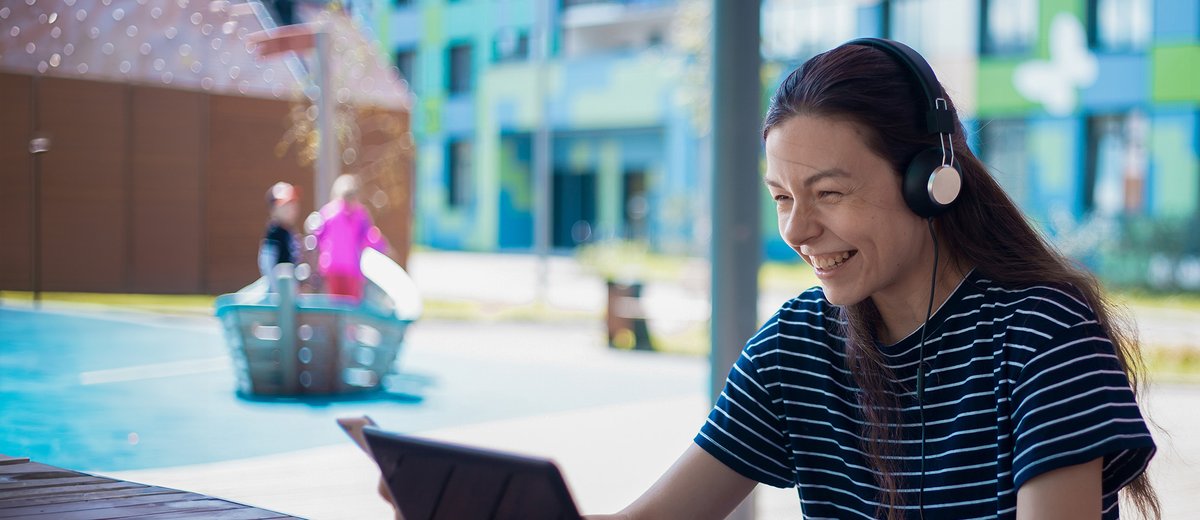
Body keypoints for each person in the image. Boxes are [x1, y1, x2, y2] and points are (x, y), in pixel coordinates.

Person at [589, 39, 1159, 519]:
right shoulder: (797, 345)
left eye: (829, 194)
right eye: (782, 198)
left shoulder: (1042, 332)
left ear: (932, 181)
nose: (797, 230)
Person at [313, 173, 389, 301]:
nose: (350, 201)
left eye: (353, 196)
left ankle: (348, 322)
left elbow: (368, 235)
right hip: (333, 266)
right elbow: (317, 233)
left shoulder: (360, 215)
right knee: (335, 302)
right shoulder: (331, 213)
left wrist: (381, 245)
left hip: (352, 267)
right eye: (347, 196)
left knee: (351, 303)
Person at [258, 181, 301, 289]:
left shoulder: (290, 232)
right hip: (278, 288)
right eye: (285, 206)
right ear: (273, 210)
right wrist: (276, 289)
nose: (291, 208)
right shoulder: (274, 232)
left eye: (293, 204)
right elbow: (267, 263)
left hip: (289, 287)